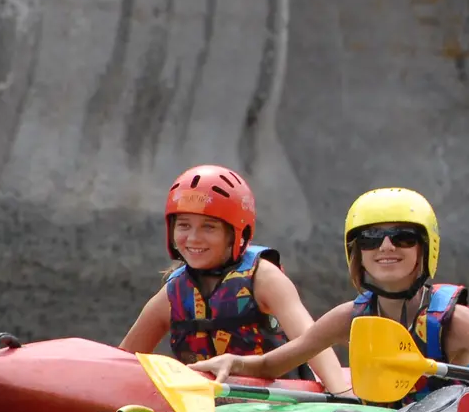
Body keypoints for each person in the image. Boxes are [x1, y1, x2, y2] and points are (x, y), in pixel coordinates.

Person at [186, 187, 469, 404]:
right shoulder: (349, 317)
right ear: (356, 253)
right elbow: (275, 364)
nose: (386, 247)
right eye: (371, 239)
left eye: (403, 237)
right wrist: (235, 362)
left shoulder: (456, 322)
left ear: (426, 249)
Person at [118, 165, 347, 392]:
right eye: (184, 226)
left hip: (279, 402)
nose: (193, 238)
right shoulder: (173, 294)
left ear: (235, 234)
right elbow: (122, 361)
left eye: (209, 227)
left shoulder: (264, 278)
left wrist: (341, 394)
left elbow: (314, 342)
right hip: (206, 405)